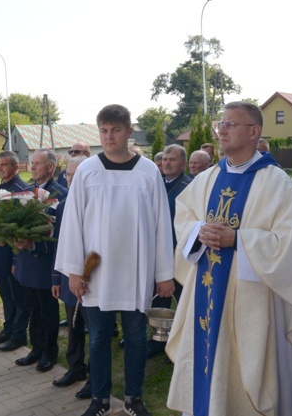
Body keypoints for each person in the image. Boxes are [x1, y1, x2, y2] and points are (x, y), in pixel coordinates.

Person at [166, 101, 292, 416]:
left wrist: (239, 240)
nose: (222, 130)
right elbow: (184, 217)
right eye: (221, 124)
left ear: (254, 131)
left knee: (248, 367)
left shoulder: (278, 184)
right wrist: (198, 231)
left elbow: (291, 245)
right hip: (208, 289)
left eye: (231, 124)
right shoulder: (206, 179)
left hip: (254, 297)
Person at [55, 104, 175, 416]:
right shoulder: (88, 170)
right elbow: (73, 223)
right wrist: (73, 272)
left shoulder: (148, 170)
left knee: (136, 337)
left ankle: (134, 398)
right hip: (97, 272)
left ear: (128, 131)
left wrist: (163, 273)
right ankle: (100, 399)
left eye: (116, 130)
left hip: (137, 269)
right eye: (104, 131)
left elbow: (162, 222)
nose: (109, 137)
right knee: (97, 339)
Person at [14, 149, 67, 372]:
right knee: (32, 308)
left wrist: (34, 244)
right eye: (31, 163)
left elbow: (60, 235)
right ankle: (35, 348)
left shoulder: (61, 194)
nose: (33, 167)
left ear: (51, 167)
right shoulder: (25, 192)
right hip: (26, 262)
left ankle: (49, 351)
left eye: (37, 163)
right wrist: (16, 252)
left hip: (46, 263)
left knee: (47, 311)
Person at [51, 155, 92, 394]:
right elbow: (60, 244)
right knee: (73, 326)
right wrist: (57, 278)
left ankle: (94, 379)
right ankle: (75, 367)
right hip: (69, 277)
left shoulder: (98, 202)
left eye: (75, 175)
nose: (70, 179)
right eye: (67, 174)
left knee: (95, 332)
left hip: (93, 278)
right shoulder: (65, 205)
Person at [0, 151, 30, 352]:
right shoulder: (0, 188)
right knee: (5, 296)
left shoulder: (21, 190)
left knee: (18, 297)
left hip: (13, 255)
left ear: (15, 167)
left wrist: (16, 259)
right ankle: (7, 329)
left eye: (4, 165)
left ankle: (19, 335)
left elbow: (22, 227)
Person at [148, 144, 191, 359]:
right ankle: (159, 338)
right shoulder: (156, 184)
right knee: (158, 298)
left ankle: (184, 340)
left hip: (179, 254)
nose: (166, 163)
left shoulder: (189, 187)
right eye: (164, 159)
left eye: (172, 159)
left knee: (182, 298)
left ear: (183, 163)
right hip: (156, 251)